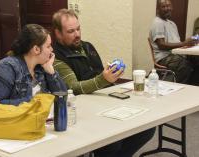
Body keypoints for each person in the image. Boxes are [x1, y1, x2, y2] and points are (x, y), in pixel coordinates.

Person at [52, 9, 155, 157]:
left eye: (79, 29)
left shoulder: (87, 46)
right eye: (71, 31)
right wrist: (104, 79)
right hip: (83, 109)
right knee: (113, 142)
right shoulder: (56, 56)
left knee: (147, 127)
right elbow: (73, 87)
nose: (78, 34)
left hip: (105, 99)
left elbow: (99, 73)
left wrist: (110, 73)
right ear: (58, 33)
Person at [0, 24, 67, 116]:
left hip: (37, 123)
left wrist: (51, 72)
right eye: (48, 46)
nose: (52, 50)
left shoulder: (41, 67)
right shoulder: (7, 68)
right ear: (36, 49)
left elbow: (62, 97)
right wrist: (33, 102)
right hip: (9, 126)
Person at [149, 0, 199, 84]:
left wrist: (190, 43)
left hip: (176, 54)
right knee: (184, 65)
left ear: (172, 8)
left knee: (196, 60)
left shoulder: (172, 24)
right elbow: (161, 45)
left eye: (168, 6)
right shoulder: (157, 23)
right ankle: (175, 89)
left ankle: (193, 87)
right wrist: (185, 43)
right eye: (163, 6)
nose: (167, 8)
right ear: (158, 9)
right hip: (164, 57)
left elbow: (177, 43)